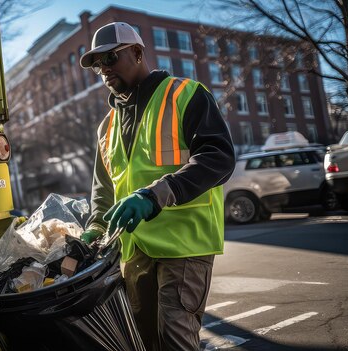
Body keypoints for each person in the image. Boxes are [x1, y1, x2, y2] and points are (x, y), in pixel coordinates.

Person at [78, 22, 235, 351]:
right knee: (143, 341)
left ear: (136, 52)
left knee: (175, 339)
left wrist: (154, 196)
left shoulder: (185, 94)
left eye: (109, 57)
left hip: (184, 244)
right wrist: (95, 226)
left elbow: (218, 158)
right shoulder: (107, 127)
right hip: (134, 252)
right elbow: (103, 189)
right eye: (96, 64)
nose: (103, 69)